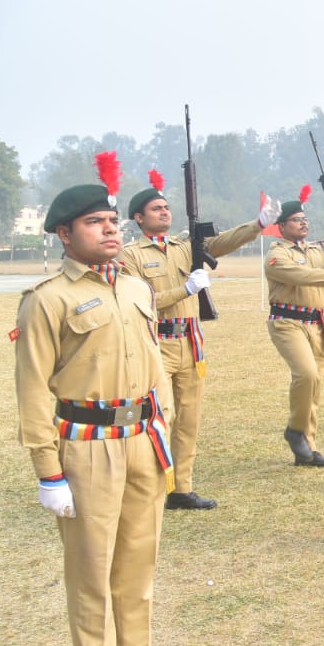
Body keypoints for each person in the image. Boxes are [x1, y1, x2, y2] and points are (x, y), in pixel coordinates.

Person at [14, 155, 195, 646]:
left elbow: (153, 363)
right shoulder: (47, 299)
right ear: (65, 234)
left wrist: (161, 420)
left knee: (139, 556)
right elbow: (33, 391)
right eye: (95, 222)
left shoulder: (137, 286)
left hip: (142, 437)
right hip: (87, 444)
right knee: (92, 565)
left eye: (113, 220)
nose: (111, 229)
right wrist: (48, 471)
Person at [119, 171, 270, 511]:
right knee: (160, 417)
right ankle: (150, 486)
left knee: (189, 419)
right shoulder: (131, 255)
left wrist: (258, 224)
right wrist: (184, 290)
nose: (164, 212)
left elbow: (225, 242)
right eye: (156, 208)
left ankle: (180, 488)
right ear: (139, 218)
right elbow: (140, 301)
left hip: (190, 343)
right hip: (156, 342)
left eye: (166, 206)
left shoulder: (185, 247)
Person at [265, 185, 324, 467]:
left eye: (305, 218)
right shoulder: (277, 254)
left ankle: (307, 449)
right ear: (282, 226)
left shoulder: (318, 249)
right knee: (306, 374)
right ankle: (295, 430)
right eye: (297, 220)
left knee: (314, 386)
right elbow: (302, 275)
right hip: (288, 322)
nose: (303, 223)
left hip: (316, 323)